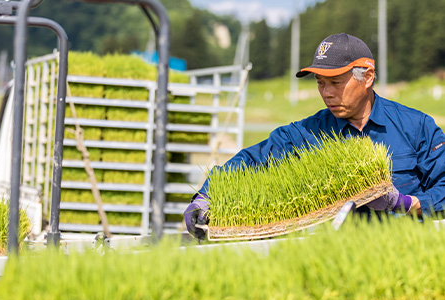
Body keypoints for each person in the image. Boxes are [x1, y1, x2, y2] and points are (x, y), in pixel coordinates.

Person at [184, 32, 445, 239]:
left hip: (404, 250)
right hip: (335, 258)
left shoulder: (416, 126)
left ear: (367, 77)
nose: (326, 93)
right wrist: (206, 196)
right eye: (320, 82)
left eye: (336, 82)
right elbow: (252, 160)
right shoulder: (309, 132)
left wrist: (405, 203)